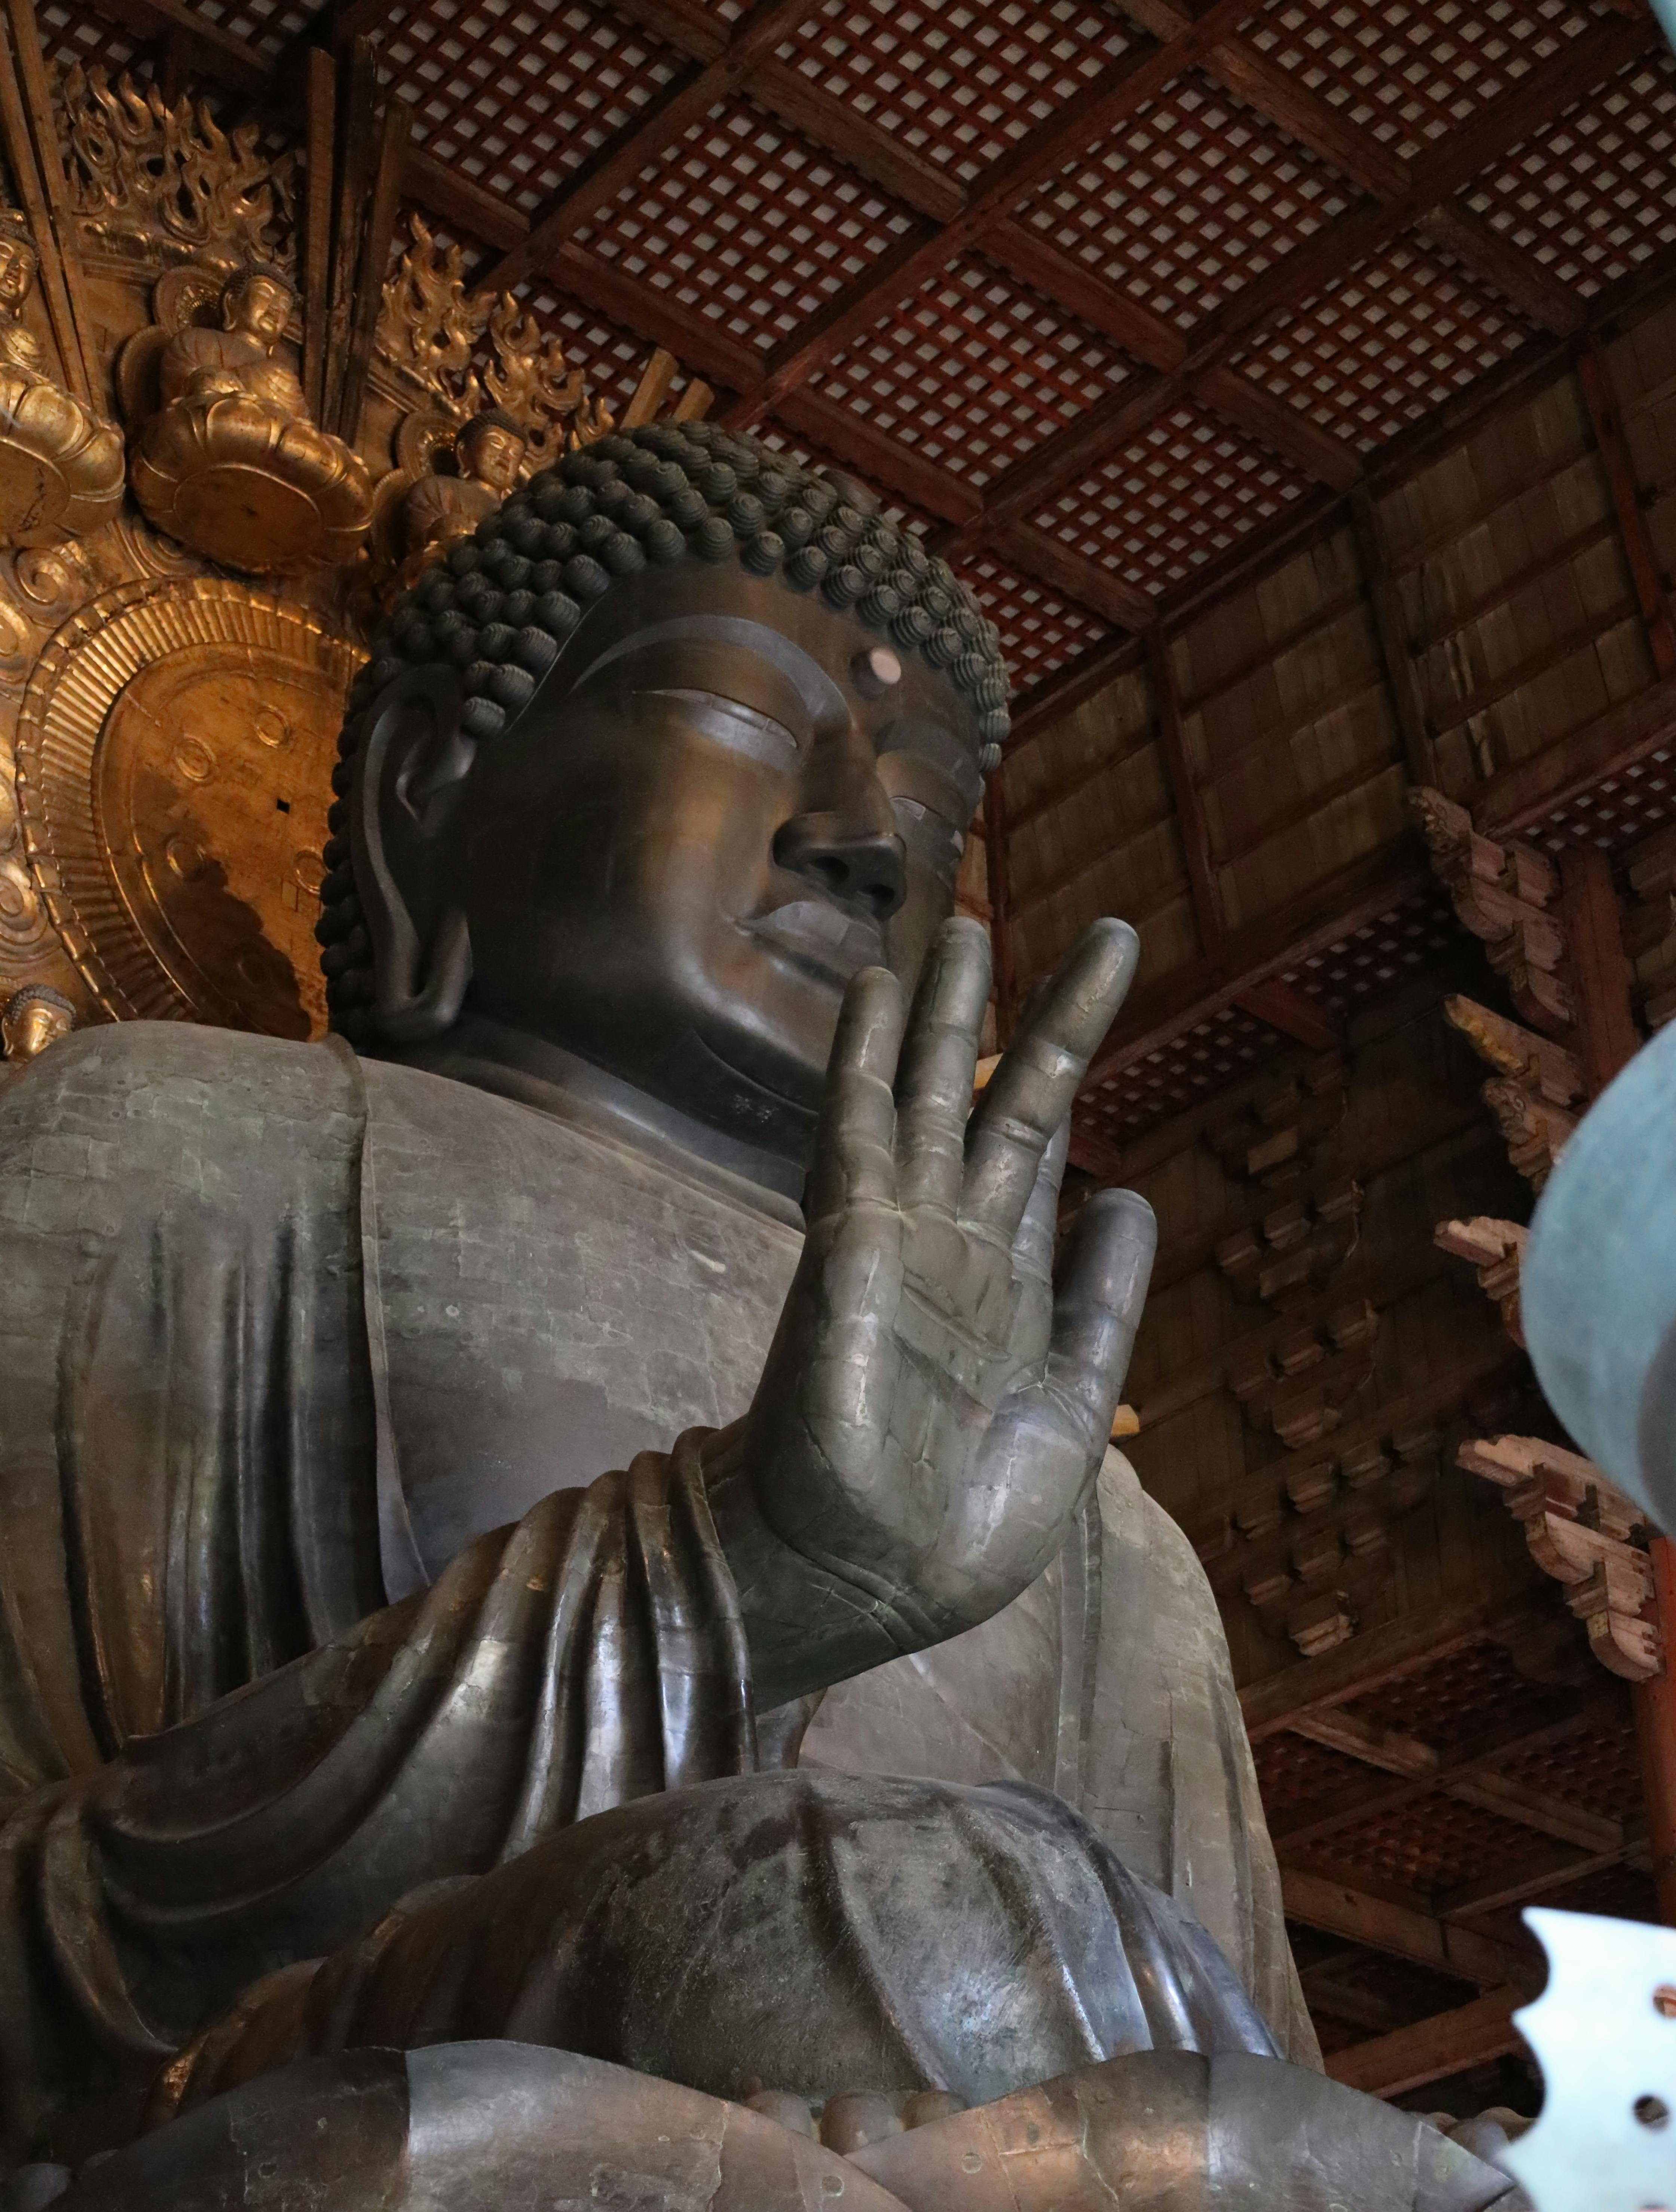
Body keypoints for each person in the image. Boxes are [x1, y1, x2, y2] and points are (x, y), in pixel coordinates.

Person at [0, 424, 1307, 2179]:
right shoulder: (180, 1146)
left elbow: (1247, 2102)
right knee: (892, 1913)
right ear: (421, 792)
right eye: (758, 723)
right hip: (347, 2119)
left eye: (926, 821)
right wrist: (719, 1580)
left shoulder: (1085, 1502)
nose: (863, 847)